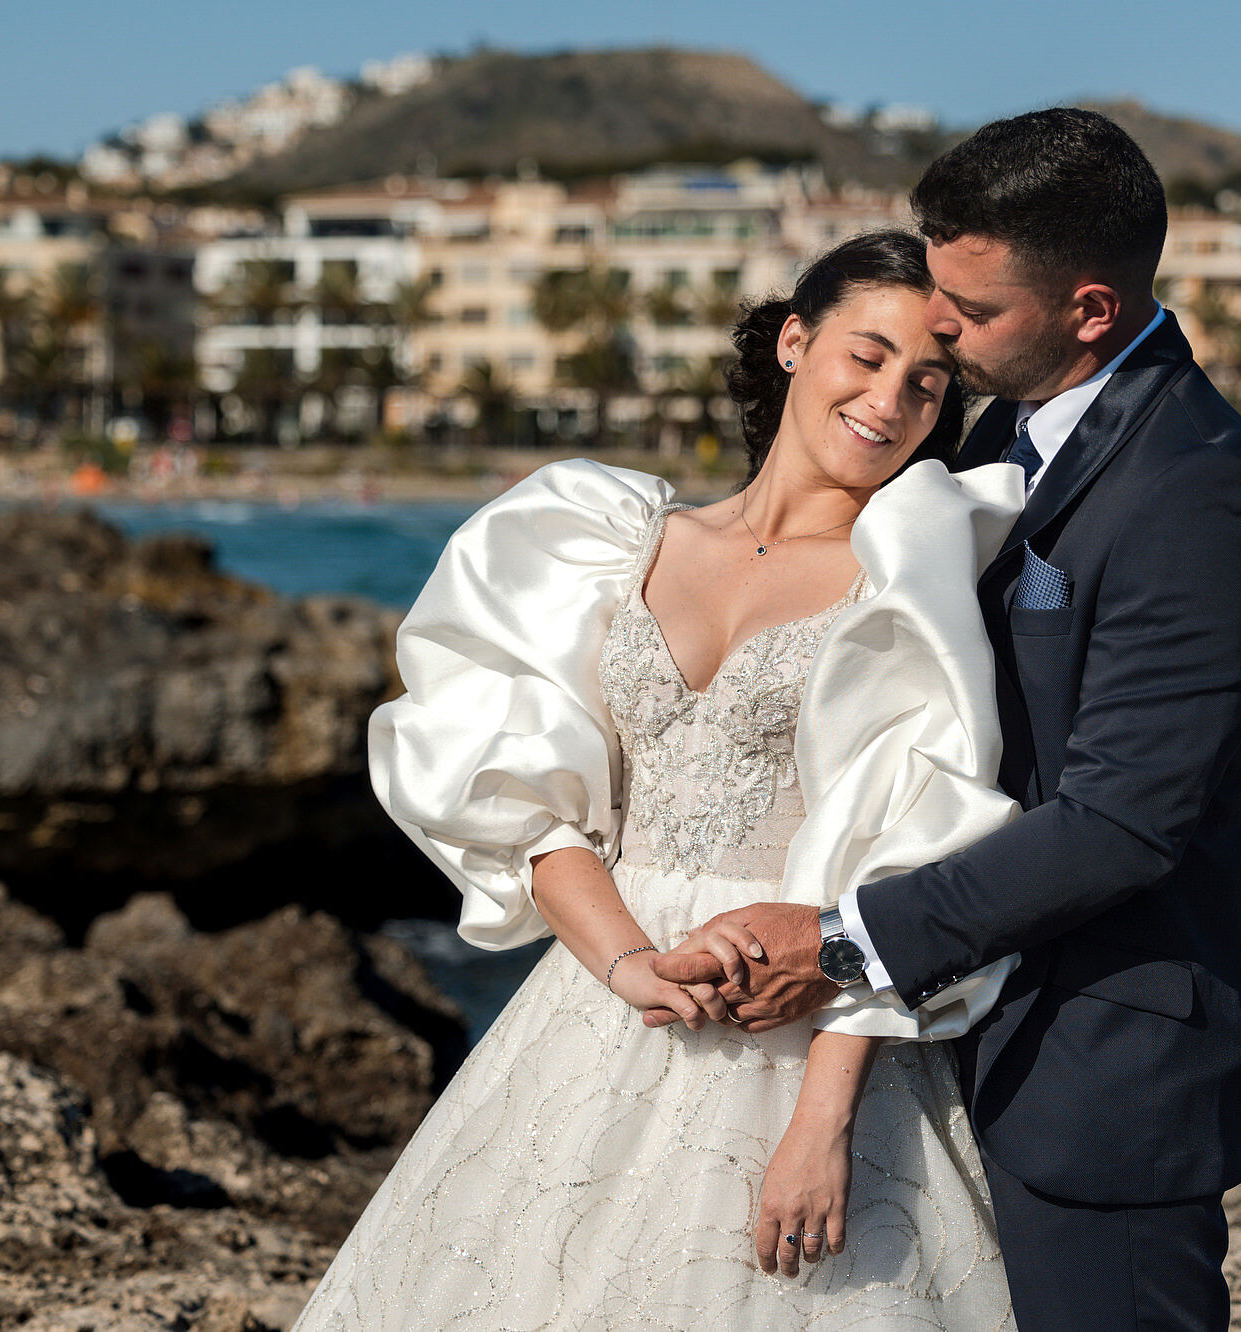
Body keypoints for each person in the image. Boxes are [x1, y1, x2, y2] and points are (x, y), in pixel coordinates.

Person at [655, 109, 1241, 1331]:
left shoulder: (1191, 494)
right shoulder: (1004, 422)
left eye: (968, 315)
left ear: (1088, 309)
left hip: (1105, 1064)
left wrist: (836, 940)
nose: (942, 329)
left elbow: (1125, 823)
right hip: (959, 1036)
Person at [289, 230, 1034, 1330]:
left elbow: (908, 851)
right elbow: (525, 804)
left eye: (928, 382)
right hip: (602, 1005)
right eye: (864, 356)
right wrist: (625, 961)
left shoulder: (913, 579)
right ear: (793, 341)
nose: (891, 399)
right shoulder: (604, 537)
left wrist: (822, 1124)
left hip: (803, 1020)